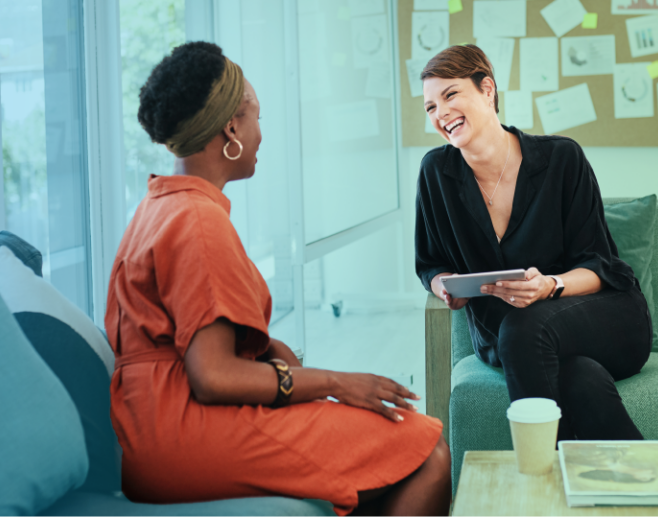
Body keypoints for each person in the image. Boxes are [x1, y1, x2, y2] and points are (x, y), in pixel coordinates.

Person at [106, 42, 450, 517]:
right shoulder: (199, 221)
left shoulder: (156, 206)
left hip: (146, 435)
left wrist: (269, 351)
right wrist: (336, 382)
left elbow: (186, 338)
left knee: (384, 446)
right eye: (256, 117)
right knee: (426, 448)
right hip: (188, 433)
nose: (260, 135)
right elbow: (213, 377)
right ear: (231, 127)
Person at [415, 45, 652, 442]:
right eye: (430, 107)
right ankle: (651, 485)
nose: (440, 113)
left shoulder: (562, 158)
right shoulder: (436, 172)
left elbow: (599, 266)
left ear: (487, 89)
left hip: (604, 319)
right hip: (506, 336)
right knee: (579, 378)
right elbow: (430, 263)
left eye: (450, 95)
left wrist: (549, 285)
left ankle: (537, 477)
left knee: (524, 330)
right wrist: (445, 286)